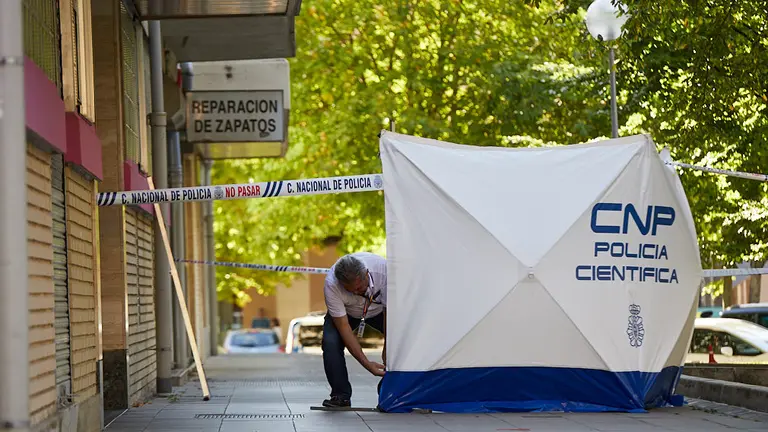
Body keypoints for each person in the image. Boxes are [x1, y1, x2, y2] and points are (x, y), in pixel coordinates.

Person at [321, 252, 387, 408]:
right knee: (330, 342)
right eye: (351, 290)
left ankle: (391, 387)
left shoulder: (384, 272)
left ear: (366, 274)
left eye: (359, 288)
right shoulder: (332, 285)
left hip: (380, 310)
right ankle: (340, 395)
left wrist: (387, 350)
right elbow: (344, 328)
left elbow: (391, 314)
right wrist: (367, 364)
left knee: (403, 339)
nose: (357, 293)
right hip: (348, 313)